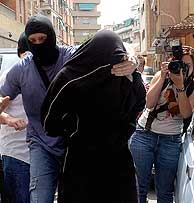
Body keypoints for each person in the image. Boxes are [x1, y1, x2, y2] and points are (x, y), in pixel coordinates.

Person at [0, 14, 140, 203]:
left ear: (52, 36)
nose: (38, 44)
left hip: (73, 142)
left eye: (43, 39)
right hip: (42, 143)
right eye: (33, 41)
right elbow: (3, 96)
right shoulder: (21, 69)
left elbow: (107, 47)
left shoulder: (72, 57)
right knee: (40, 197)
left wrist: (132, 60)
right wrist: (6, 116)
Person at [41, 29, 146, 203]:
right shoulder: (71, 76)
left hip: (116, 164)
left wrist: (133, 73)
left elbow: (138, 107)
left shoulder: (124, 77)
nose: (115, 64)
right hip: (82, 164)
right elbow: (49, 122)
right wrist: (74, 130)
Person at [129, 45, 194, 203]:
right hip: (144, 135)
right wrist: (164, 77)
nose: (182, 68)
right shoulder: (161, 74)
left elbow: (186, 113)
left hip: (170, 141)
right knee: (139, 189)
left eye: (187, 66)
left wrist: (179, 86)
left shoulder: (192, 86)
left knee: (165, 192)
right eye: (180, 64)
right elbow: (149, 104)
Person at [0, 32, 30, 203]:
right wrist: (10, 120)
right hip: (16, 154)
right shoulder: (8, 76)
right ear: (20, 53)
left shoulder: (47, 75)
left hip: (42, 153)